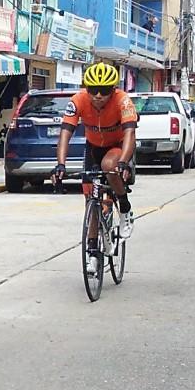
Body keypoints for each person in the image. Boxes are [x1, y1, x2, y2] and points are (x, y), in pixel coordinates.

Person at [52, 62, 138, 254]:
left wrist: (123, 162)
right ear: (86, 88)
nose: (98, 95)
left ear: (113, 90)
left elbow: (130, 133)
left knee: (109, 165)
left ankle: (125, 207)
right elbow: (65, 133)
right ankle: (92, 248)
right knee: (90, 197)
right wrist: (60, 164)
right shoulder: (78, 100)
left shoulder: (123, 101)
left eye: (104, 90)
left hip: (119, 145)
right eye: (93, 90)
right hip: (93, 147)